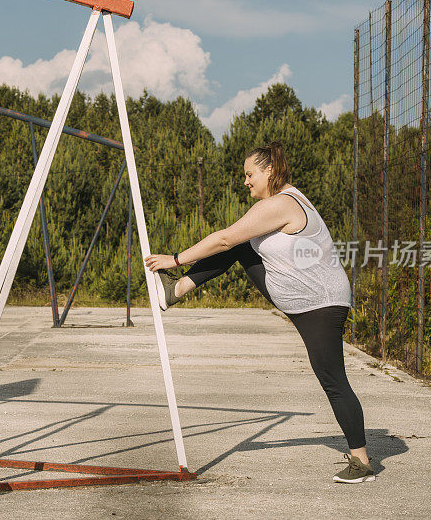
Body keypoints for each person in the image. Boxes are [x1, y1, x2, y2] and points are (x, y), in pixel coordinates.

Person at [144, 141, 375, 484]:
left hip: (320, 304)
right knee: (238, 244)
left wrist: (175, 259)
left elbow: (223, 239)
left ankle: (363, 462)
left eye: (250, 174)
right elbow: (231, 242)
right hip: (298, 295)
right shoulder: (280, 201)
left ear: (269, 171)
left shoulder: (282, 203)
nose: (246, 181)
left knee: (332, 379)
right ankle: (175, 291)